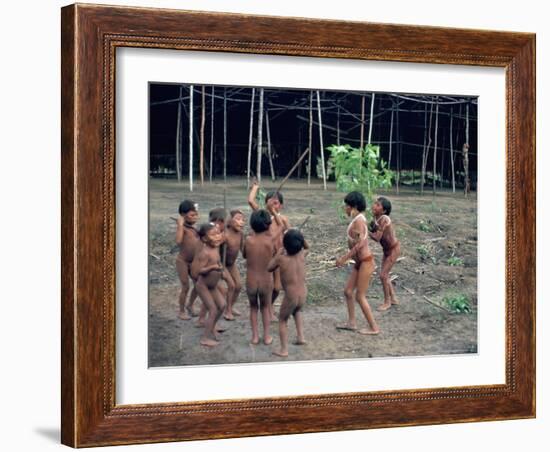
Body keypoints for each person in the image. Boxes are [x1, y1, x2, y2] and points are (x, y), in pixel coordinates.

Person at [335, 191, 380, 335]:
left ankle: (374, 327)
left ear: (353, 206)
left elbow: (360, 245)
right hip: (359, 262)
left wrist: (344, 258)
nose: (345, 209)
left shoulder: (359, 221)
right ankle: (352, 323)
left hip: (366, 262)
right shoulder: (358, 220)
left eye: (347, 206)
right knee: (348, 291)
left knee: (360, 296)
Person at [248, 178, 290, 321]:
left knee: (277, 288)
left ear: (281, 205)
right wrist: (255, 188)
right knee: (267, 284)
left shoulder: (282, 219)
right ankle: (266, 309)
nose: (273, 204)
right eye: (270, 201)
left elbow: (288, 234)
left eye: (276, 202)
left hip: (277, 257)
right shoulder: (262, 216)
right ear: (265, 203)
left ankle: (268, 306)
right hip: (265, 257)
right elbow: (251, 201)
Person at [268, 229, 308, 357]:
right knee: (297, 311)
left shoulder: (281, 259)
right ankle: (301, 337)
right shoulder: (302, 254)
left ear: (285, 245)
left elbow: (269, 268)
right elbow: (308, 247)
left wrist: (278, 253)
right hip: (303, 293)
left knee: (282, 320)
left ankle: (283, 349)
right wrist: (301, 239)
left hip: (291, 296)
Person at [243, 209, 276, 345]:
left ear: (251, 224)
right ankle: (267, 337)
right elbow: (274, 257)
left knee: (253, 308)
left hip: (251, 280)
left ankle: (255, 337)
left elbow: (244, 255)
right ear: (268, 224)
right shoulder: (270, 242)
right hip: (266, 281)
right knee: (265, 308)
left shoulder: (248, 240)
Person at [190, 223, 226, 347]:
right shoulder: (205, 253)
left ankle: (212, 326)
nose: (217, 237)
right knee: (213, 309)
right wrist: (212, 267)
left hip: (213, 285)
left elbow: (224, 235)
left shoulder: (215, 248)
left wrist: (220, 268)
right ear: (205, 239)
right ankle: (204, 338)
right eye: (213, 235)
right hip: (203, 286)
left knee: (222, 306)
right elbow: (198, 271)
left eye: (218, 234)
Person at [369, 197, 401, 311]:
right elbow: (374, 231)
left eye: (378, 205)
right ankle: (393, 299)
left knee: (383, 275)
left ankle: (387, 302)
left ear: (384, 211)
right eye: (374, 203)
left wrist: (365, 232)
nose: (374, 206)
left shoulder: (384, 219)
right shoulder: (376, 218)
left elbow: (377, 238)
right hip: (386, 250)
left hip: (393, 249)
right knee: (385, 275)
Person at [174, 200, 200, 320]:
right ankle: (181, 311)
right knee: (185, 286)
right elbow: (178, 241)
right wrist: (180, 225)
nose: (195, 217)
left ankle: (190, 305)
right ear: (183, 216)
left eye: (196, 214)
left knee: (199, 285)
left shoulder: (194, 229)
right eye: (192, 215)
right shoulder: (183, 228)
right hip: (183, 262)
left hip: (194, 262)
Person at [223, 209, 246, 320]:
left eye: (243, 220)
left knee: (239, 285)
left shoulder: (240, 234)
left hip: (231, 264)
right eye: (237, 219)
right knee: (231, 285)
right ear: (229, 221)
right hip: (221, 264)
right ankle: (227, 311)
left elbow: (244, 251)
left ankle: (230, 306)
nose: (241, 222)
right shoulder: (225, 234)